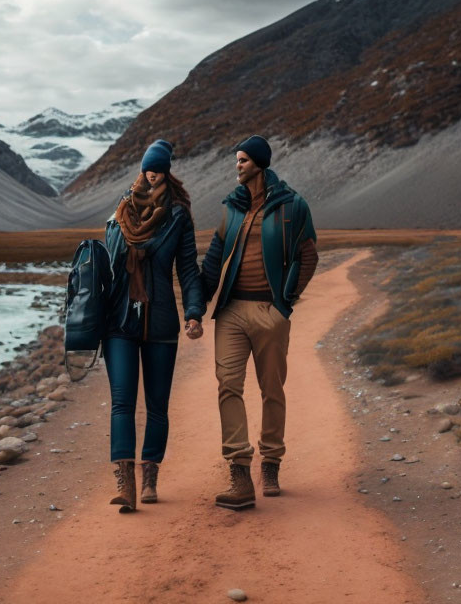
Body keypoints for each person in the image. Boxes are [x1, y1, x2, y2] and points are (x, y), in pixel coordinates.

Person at [200, 135, 318, 509]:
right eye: (236, 160)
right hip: (232, 311)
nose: (238, 165)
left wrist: (285, 302)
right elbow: (214, 261)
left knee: (272, 389)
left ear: (260, 164)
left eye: (244, 160)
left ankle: (271, 462)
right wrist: (194, 306)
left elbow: (309, 255)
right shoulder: (231, 209)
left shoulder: (292, 206)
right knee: (228, 385)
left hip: (270, 311)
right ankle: (239, 471)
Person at [103, 139, 205, 513]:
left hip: (161, 321)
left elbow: (189, 269)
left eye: (159, 169)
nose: (152, 173)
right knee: (121, 403)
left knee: (158, 406)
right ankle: (125, 482)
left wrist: (194, 311)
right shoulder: (121, 212)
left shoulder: (178, 215)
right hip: (119, 321)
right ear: (142, 169)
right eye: (149, 167)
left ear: (167, 172)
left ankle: (150, 475)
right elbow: (107, 266)